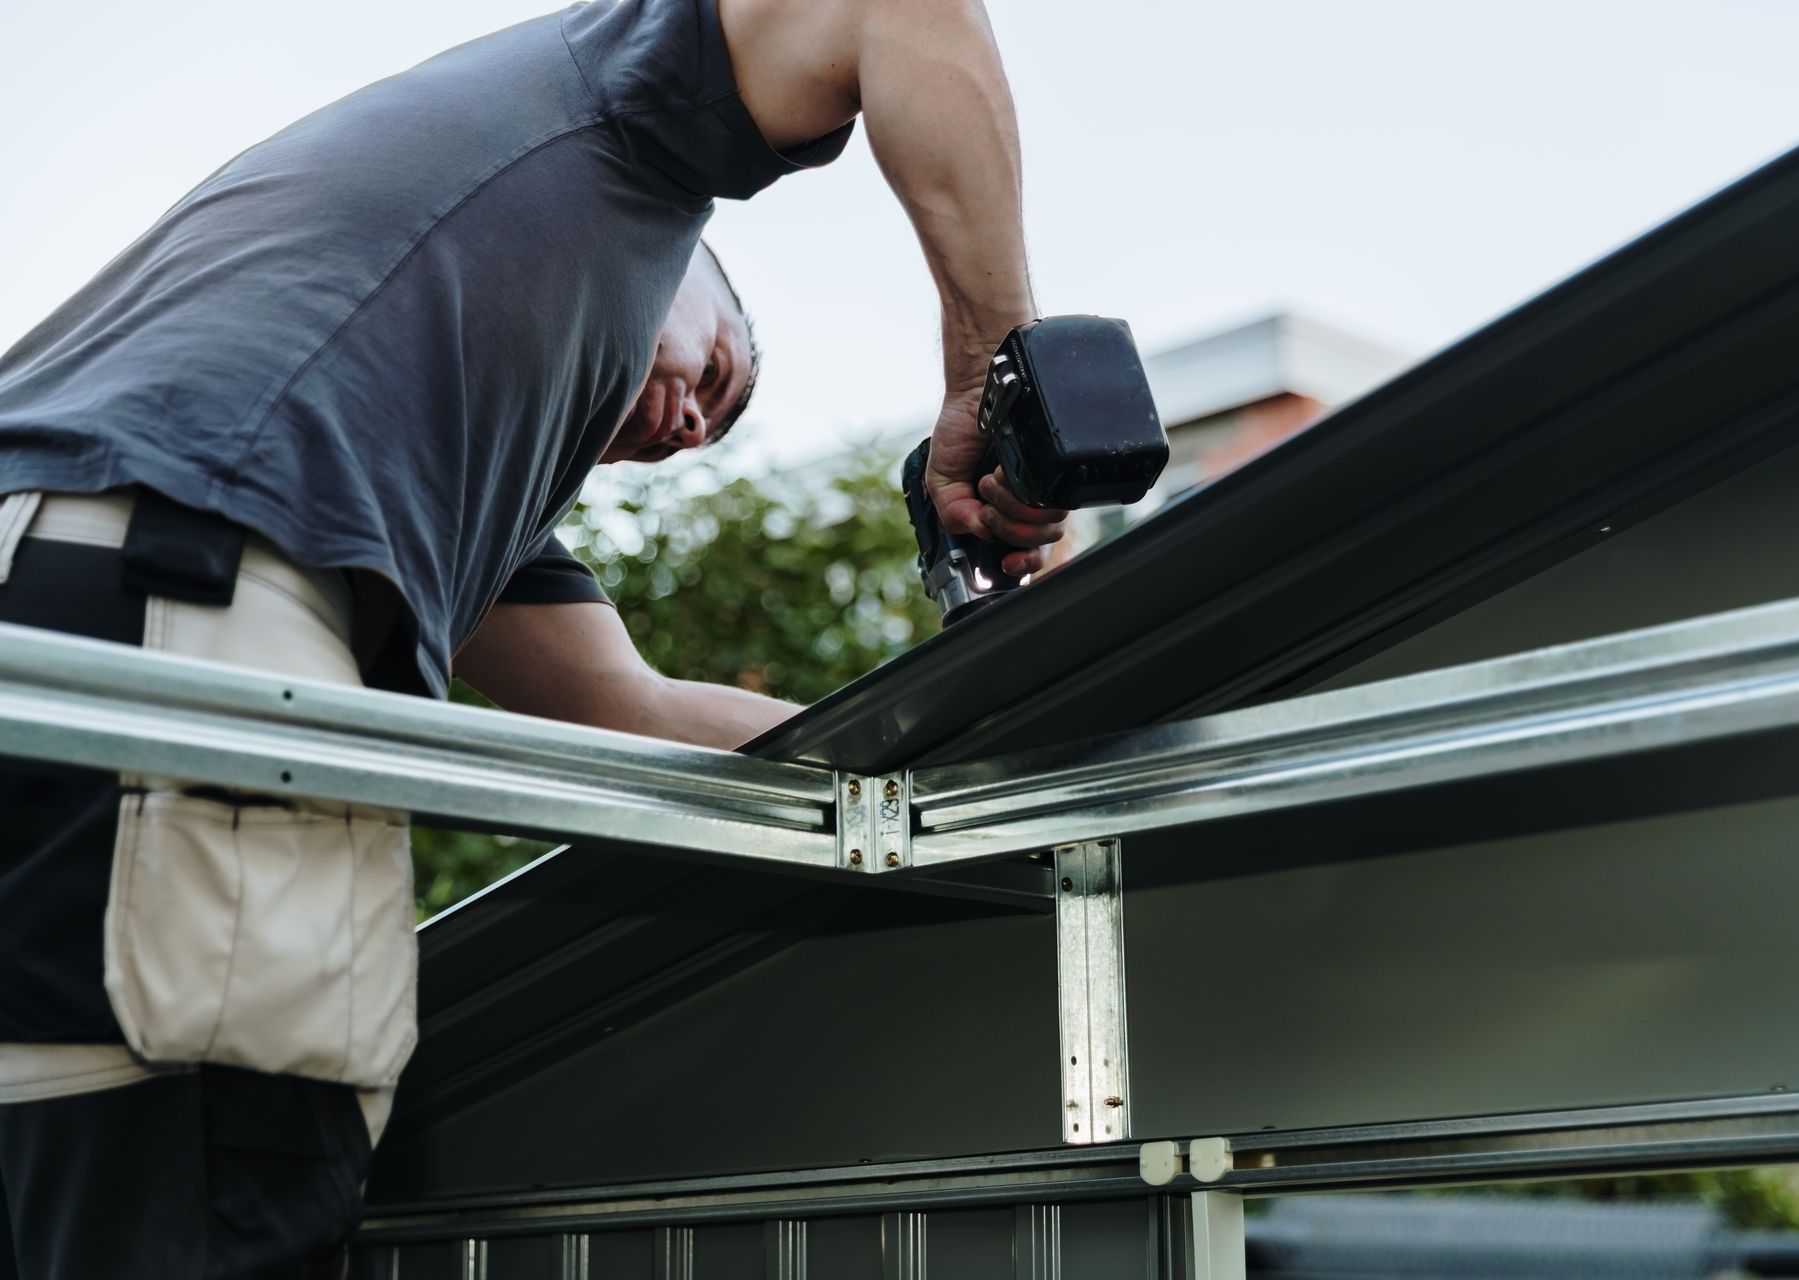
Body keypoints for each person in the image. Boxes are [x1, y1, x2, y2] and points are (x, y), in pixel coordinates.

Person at [0, 0, 1069, 1272]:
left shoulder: (425, 461)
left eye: (667, 447)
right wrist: (993, 373)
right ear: (682, 269)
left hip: (64, 635)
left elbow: (637, 711)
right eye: (717, 375)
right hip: (169, 598)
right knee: (224, 1178)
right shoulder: (624, 123)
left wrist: (960, 763)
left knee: (72, 1174)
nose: (678, 429)